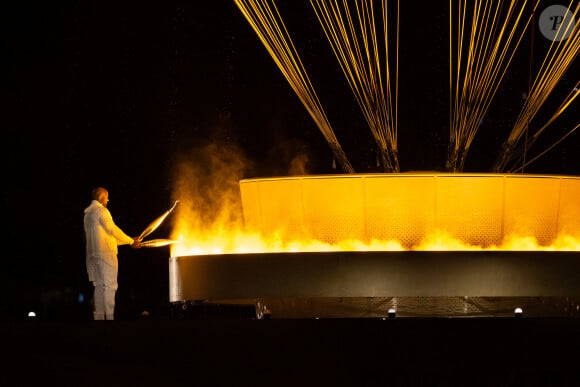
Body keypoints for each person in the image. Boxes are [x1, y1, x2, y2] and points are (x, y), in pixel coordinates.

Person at [83, 187, 141, 320]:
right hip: (106, 256)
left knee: (99, 287)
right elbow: (112, 229)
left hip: (92, 256)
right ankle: (110, 319)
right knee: (110, 287)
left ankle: (98, 319)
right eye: (107, 198)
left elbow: (106, 238)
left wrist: (129, 241)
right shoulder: (101, 210)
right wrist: (131, 241)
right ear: (102, 197)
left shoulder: (87, 215)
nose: (108, 200)